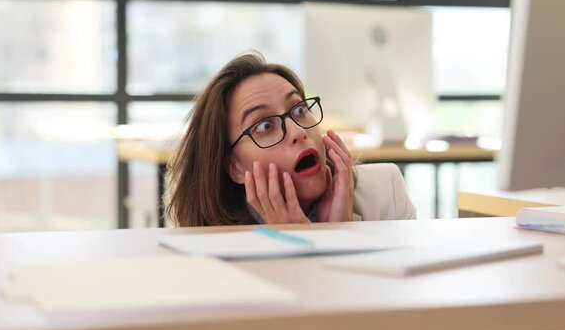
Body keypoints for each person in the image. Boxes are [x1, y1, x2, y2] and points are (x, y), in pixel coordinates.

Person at [164, 52, 416, 227]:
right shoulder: (205, 230)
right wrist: (299, 246)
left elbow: (411, 304)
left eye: (298, 110)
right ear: (235, 167)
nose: (298, 132)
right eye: (264, 125)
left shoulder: (386, 192)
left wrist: (339, 235)